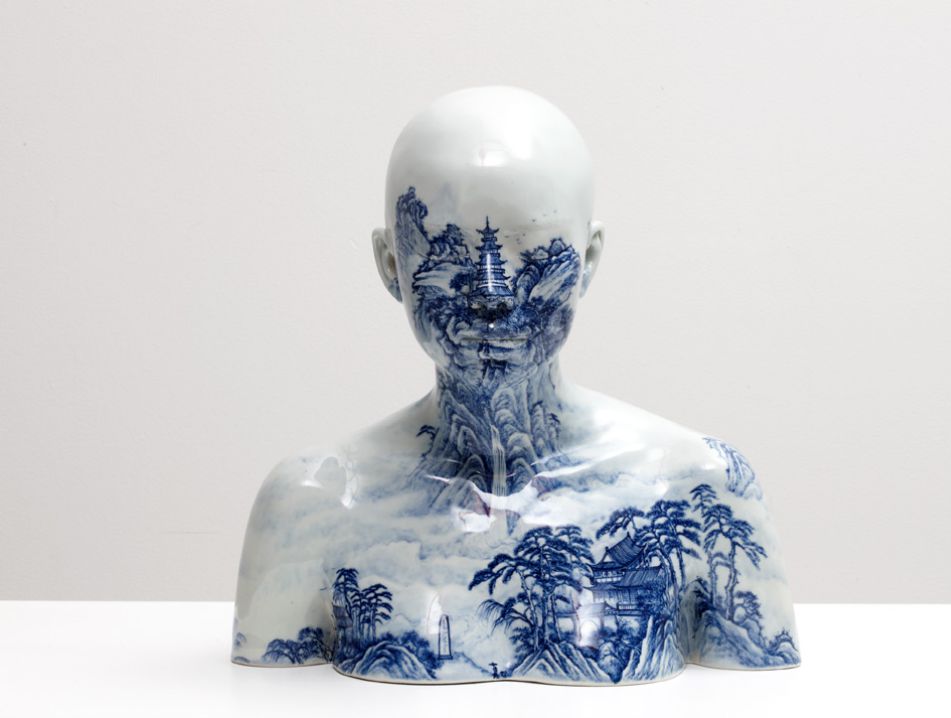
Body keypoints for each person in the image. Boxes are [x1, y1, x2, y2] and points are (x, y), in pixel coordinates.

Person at [231, 87, 800, 684]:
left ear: (588, 261)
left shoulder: (699, 481)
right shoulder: (313, 499)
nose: (493, 298)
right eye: (448, 255)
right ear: (391, 265)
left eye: (532, 247)